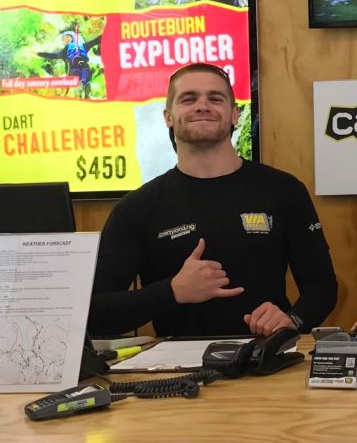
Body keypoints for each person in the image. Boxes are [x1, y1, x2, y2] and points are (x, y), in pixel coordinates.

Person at [89, 63, 337, 337]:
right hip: (176, 371)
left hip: (267, 360)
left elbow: (322, 286)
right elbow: (96, 312)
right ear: (168, 117)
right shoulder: (136, 208)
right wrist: (172, 291)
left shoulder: (283, 190)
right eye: (189, 98)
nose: (202, 106)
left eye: (215, 98)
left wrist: (293, 320)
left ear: (233, 115)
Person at [37, 28, 102, 98]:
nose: (66, 39)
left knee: (85, 71)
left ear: (72, 38)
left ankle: (84, 86)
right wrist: (38, 54)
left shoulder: (83, 45)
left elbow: (96, 41)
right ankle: (81, 87)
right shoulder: (64, 51)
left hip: (83, 64)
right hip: (72, 66)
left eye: (68, 37)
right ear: (63, 42)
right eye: (64, 39)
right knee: (76, 72)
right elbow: (53, 55)